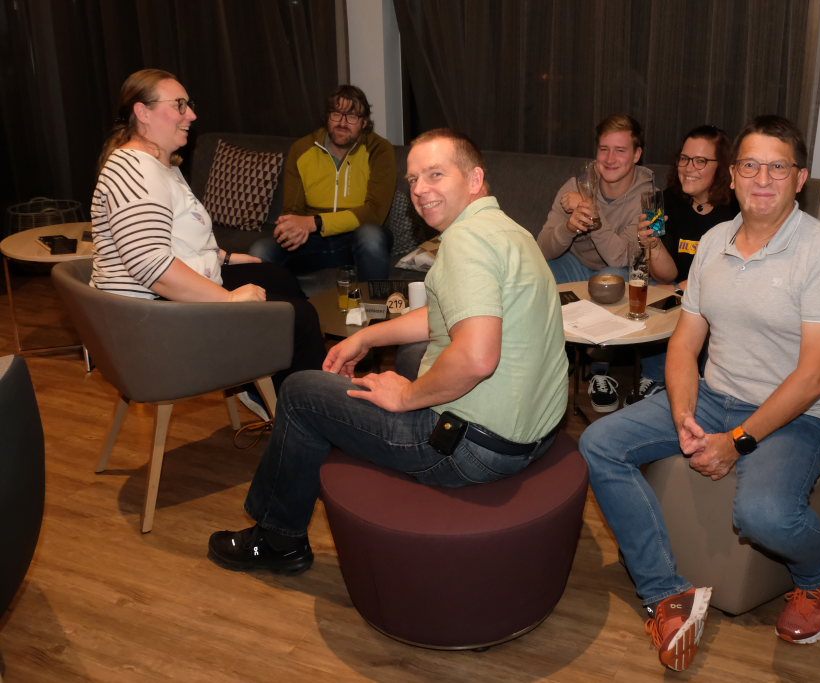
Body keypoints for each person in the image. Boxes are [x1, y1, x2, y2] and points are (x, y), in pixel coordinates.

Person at [208, 129, 568, 574]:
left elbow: (477, 358)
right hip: (534, 435)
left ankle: (277, 540)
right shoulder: (510, 232)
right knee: (415, 356)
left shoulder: (466, 242)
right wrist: (367, 337)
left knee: (301, 393)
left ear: (474, 179)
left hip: (474, 450)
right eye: (413, 179)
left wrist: (406, 397)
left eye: (435, 174)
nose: (420, 189)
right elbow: (449, 312)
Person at [579, 115, 820, 672]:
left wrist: (736, 441)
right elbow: (684, 345)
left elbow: (816, 377)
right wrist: (685, 415)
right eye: (750, 165)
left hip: (802, 415)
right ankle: (667, 595)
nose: (762, 179)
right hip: (716, 395)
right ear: (733, 175)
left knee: (762, 516)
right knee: (599, 443)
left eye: (777, 167)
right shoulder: (713, 242)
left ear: (800, 178)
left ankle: (819, 573)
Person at [91, 69, 325, 416]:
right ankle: (310, 416)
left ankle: (267, 390)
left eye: (189, 105)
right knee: (298, 317)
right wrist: (228, 299)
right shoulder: (135, 172)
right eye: (179, 105)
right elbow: (150, 266)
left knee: (276, 276)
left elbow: (178, 238)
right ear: (143, 112)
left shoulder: (158, 165)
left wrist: (224, 257)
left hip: (165, 303)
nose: (191, 115)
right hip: (153, 323)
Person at [537, 114, 655, 413]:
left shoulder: (647, 195)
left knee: (612, 275)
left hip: (618, 271)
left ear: (636, 155)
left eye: (620, 150)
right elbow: (542, 248)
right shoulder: (574, 186)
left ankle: (599, 371)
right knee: (536, 272)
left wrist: (590, 212)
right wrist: (569, 227)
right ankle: (545, 361)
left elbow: (620, 256)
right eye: (604, 149)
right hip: (576, 266)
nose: (610, 159)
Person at [248, 84, 396, 281]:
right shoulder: (301, 149)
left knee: (371, 236)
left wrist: (316, 222)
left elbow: (374, 213)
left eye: (352, 117)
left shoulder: (380, 150)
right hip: (313, 240)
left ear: (364, 123)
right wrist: (294, 228)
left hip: (357, 237)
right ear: (327, 118)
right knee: (260, 251)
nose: (342, 123)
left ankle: (373, 301)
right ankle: (295, 300)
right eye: (336, 114)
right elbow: (292, 211)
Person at [637, 125, 739, 389]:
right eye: (684, 158)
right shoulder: (667, 201)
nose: (688, 167)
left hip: (716, 296)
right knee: (650, 294)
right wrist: (653, 244)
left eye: (700, 160)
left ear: (722, 167)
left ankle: (704, 379)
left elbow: (731, 275)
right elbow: (666, 275)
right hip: (676, 291)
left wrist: (682, 289)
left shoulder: (737, 210)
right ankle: (656, 379)